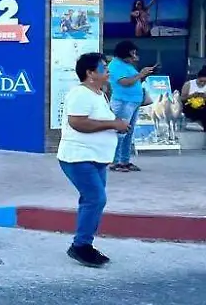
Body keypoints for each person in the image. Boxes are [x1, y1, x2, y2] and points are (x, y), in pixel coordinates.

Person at [57, 52, 131, 268]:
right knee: (96, 199)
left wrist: (118, 125)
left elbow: (100, 121)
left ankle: (84, 244)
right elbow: (78, 123)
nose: (107, 70)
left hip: (97, 158)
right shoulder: (79, 94)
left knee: (92, 200)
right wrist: (113, 125)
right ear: (90, 73)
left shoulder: (99, 94)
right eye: (103, 67)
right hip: (79, 158)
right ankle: (81, 246)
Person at [106, 40, 153, 172]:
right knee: (120, 131)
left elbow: (133, 80)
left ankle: (125, 160)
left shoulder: (127, 65)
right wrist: (141, 74)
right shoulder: (115, 65)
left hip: (133, 102)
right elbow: (125, 82)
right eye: (132, 52)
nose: (134, 55)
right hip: (123, 102)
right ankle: (115, 162)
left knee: (128, 132)